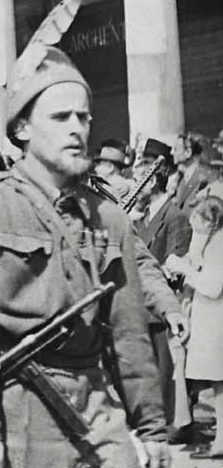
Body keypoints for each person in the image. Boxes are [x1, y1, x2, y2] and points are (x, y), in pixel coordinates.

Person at [0, 46, 170, 468]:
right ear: (21, 129)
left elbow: (128, 333)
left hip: (97, 407)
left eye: (84, 117)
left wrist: (149, 425)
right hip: (18, 408)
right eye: (60, 118)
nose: (77, 129)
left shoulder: (108, 216)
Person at [132, 138, 193, 442]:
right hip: (142, 307)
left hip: (161, 309)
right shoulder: (140, 217)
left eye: (141, 176)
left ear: (157, 178)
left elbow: (176, 268)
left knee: (167, 374)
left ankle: (174, 426)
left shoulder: (175, 216)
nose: (136, 183)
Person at [166, 187, 223, 460]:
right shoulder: (213, 243)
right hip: (211, 321)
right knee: (219, 384)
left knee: (220, 383)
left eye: (197, 223)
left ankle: (222, 440)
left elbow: (213, 287)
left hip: (216, 322)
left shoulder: (220, 245)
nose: (193, 228)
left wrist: (186, 269)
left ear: (210, 222)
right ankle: (221, 439)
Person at [173, 131, 218, 211]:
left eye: (176, 149)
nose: (172, 152)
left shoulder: (205, 177)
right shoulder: (182, 177)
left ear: (188, 152)